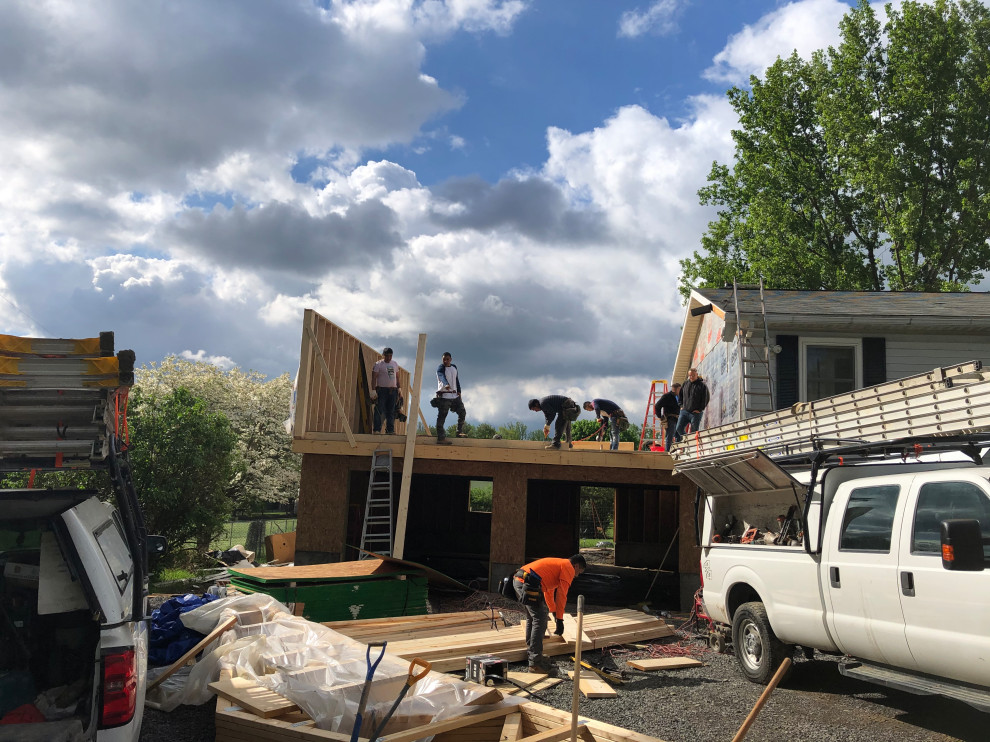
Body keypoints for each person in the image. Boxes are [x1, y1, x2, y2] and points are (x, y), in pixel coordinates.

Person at [512, 554, 587, 673]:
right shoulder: (568, 567)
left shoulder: (559, 566)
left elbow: (549, 591)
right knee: (540, 618)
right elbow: (562, 594)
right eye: (579, 571)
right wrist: (560, 619)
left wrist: (554, 612)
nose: (577, 575)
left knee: (534, 618)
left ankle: (533, 655)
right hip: (527, 584)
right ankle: (535, 663)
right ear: (576, 565)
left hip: (523, 581)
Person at [434, 351, 466, 445]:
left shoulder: (454, 367)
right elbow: (441, 376)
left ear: (450, 360)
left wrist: (459, 391)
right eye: (444, 359)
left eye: (447, 359)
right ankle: (441, 438)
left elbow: (456, 380)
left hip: (454, 395)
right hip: (445, 395)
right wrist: (446, 384)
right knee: (442, 416)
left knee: (462, 412)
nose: (445, 361)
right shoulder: (441, 368)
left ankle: (459, 431)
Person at [673, 369, 710, 445]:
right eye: (690, 375)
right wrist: (681, 406)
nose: (691, 377)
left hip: (695, 413)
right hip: (685, 411)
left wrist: (700, 409)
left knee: (694, 431)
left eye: (693, 375)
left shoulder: (702, 386)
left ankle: (692, 445)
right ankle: (688, 440)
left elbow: (706, 398)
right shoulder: (685, 384)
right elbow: (680, 396)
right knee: (678, 428)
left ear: (696, 375)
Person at [371, 347, 400, 434]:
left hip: (392, 390)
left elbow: (397, 377)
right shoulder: (379, 364)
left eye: (390, 356)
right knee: (379, 410)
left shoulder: (394, 364)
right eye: (387, 356)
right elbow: (374, 378)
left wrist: (400, 389)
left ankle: (390, 430)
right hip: (382, 390)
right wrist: (373, 390)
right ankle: (377, 429)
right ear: (383, 355)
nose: (389, 358)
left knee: (391, 411)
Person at [654, 383, 682, 453]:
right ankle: (668, 451)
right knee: (670, 435)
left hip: (677, 418)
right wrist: (660, 416)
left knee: (679, 435)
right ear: (675, 389)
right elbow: (657, 406)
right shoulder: (667, 396)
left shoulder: (678, 396)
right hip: (670, 418)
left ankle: (676, 450)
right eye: (679, 389)